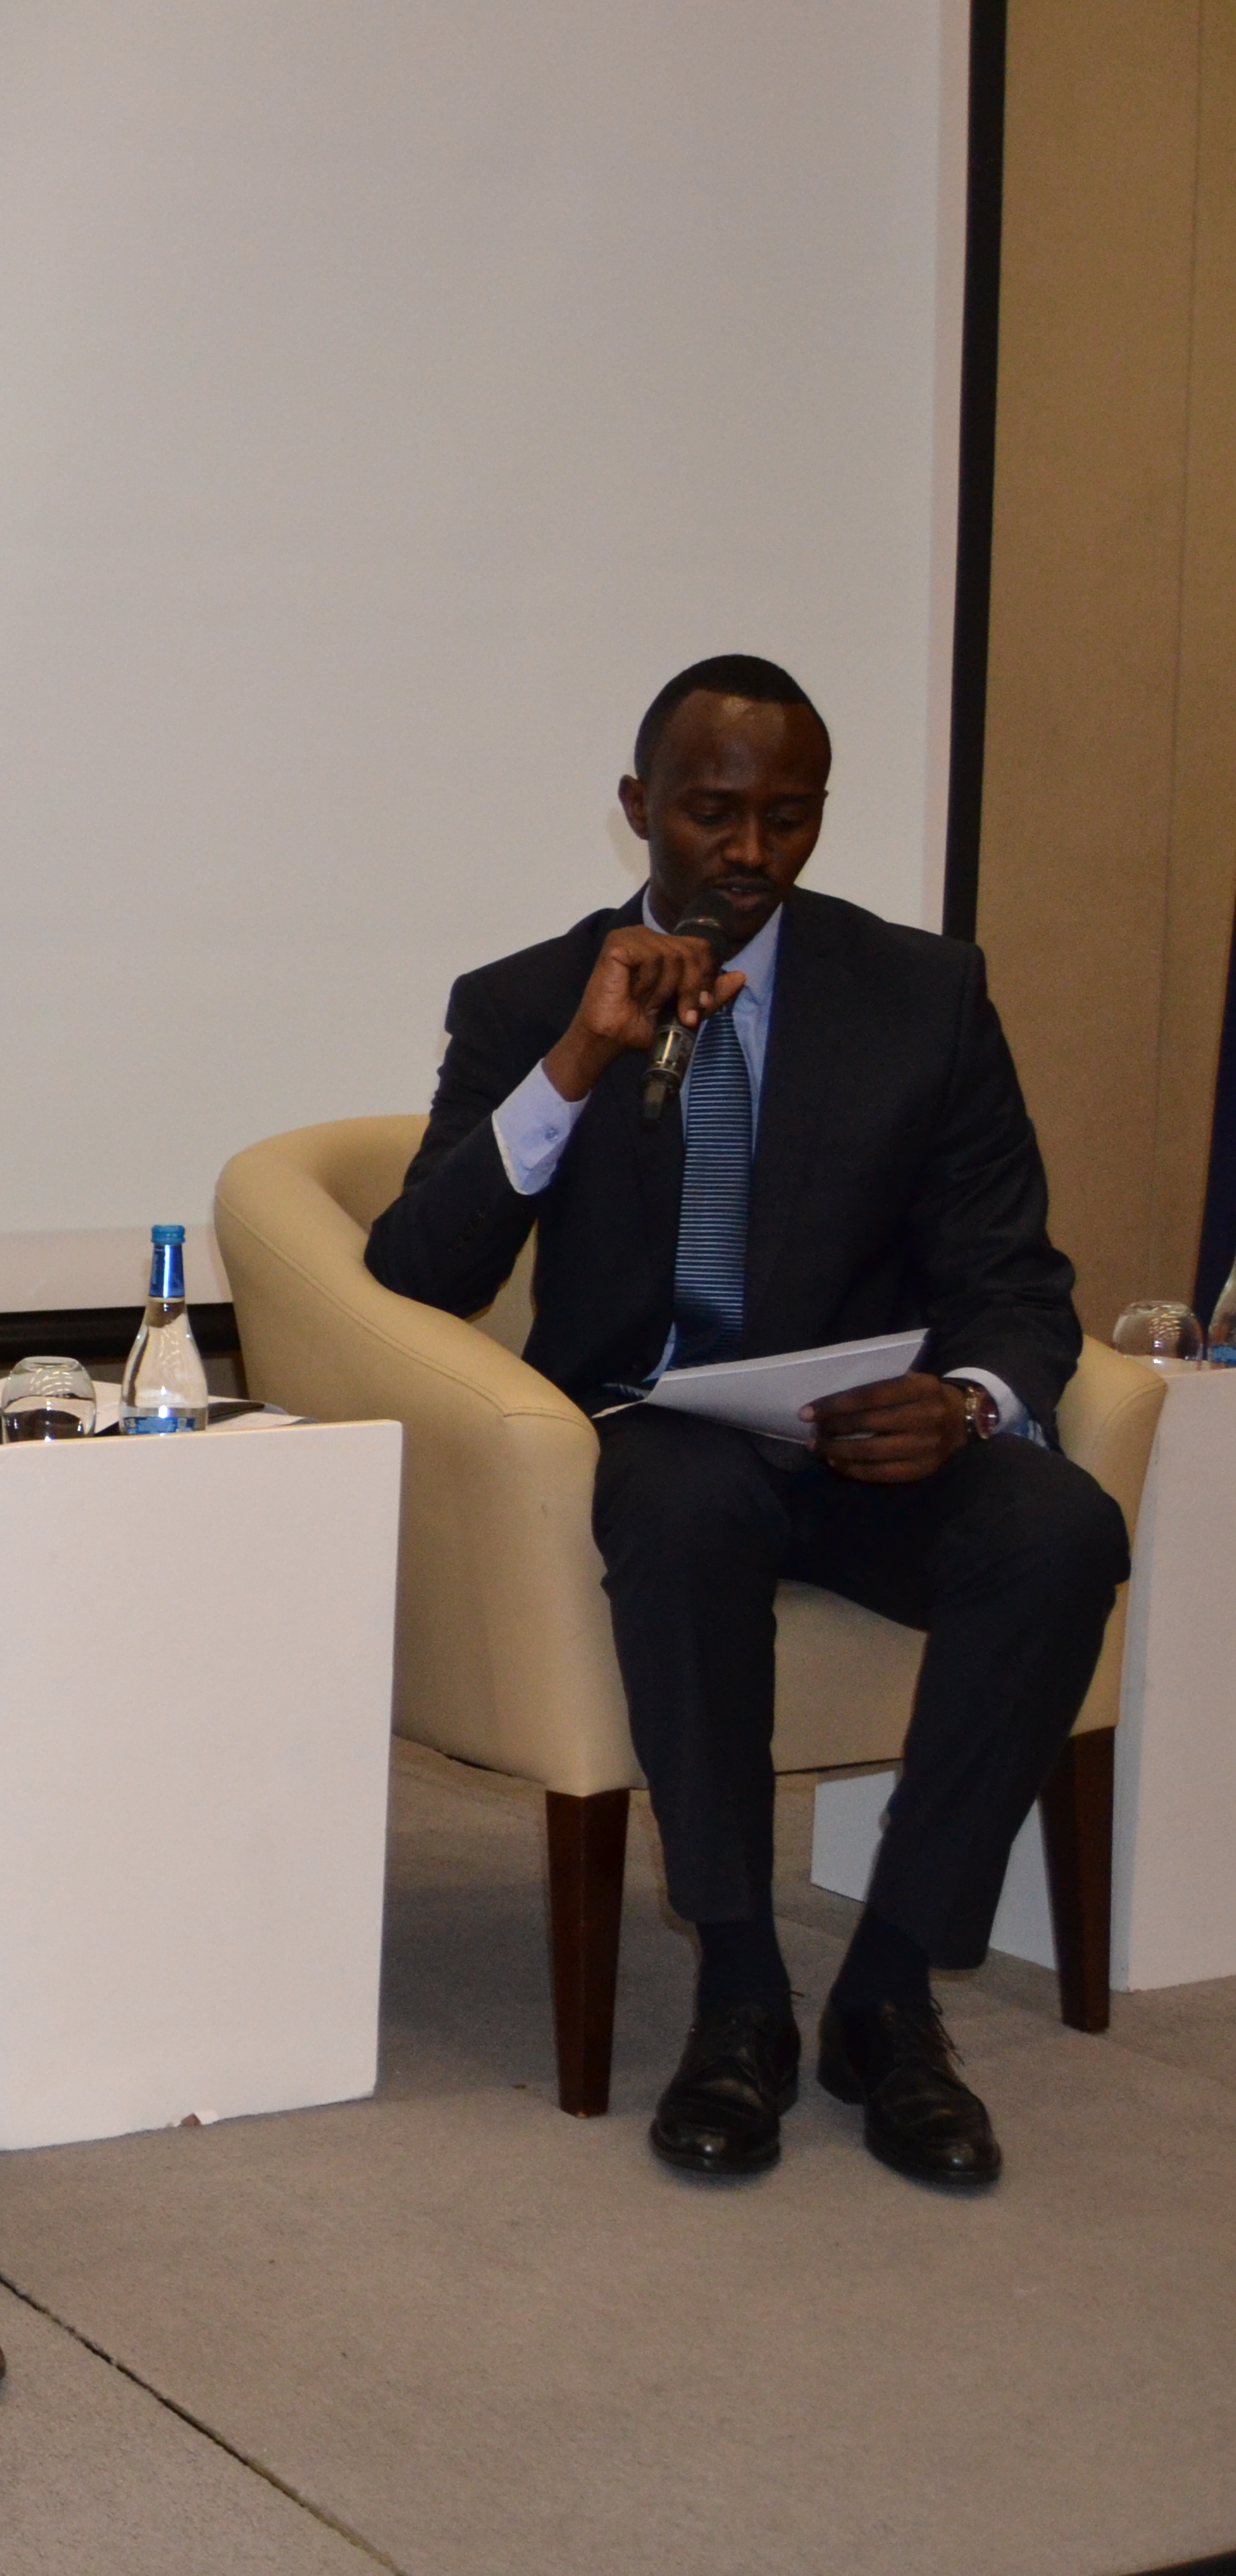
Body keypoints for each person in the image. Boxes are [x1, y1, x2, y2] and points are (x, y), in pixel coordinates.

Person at [366, 656, 1127, 2190]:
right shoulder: (526, 1000)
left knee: (1062, 1529)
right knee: (685, 1500)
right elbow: (416, 1272)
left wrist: (965, 1402)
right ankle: (741, 1989)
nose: (751, 852)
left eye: (790, 817)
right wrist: (579, 1059)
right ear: (638, 808)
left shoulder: (922, 994)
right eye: (713, 814)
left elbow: (1014, 1277)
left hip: (867, 1434)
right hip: (659, 1429)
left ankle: (889, 1993)